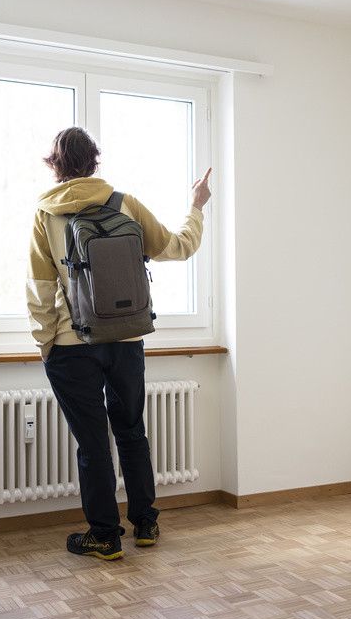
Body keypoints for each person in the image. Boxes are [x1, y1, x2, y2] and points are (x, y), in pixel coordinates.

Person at [26, 127, 212, 560]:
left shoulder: (45, 213)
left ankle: (105, 536)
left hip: (72, 346)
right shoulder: (123, 203)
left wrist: (45, 343)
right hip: (126, 338)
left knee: (92, 443)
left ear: (54, 165)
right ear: (94, 161)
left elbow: (39, 287)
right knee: (132, 431)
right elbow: (179, 247)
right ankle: (145, 523)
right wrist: (196, 206)